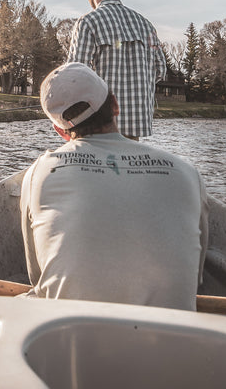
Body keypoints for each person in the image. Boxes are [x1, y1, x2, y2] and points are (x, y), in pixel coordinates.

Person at [21, 62, 208, 310]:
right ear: (115, 105)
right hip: (172, 344)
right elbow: (196, 278)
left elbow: (37, 277)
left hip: (72, 343)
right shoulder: (187, 173)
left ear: (60, 130)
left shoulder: (39, 172)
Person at [67, 0, 167, 140]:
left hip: (100, 125)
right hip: (136, 125)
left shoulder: (88, 22)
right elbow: (160, 69)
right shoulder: (145, 24)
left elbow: (75, 74)